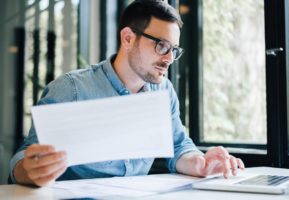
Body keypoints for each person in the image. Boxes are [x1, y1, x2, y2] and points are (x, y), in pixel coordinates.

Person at [9, 0, 244, 187]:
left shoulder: (164, 91)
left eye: (174, 49)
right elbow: (23, 159)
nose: (169, 58)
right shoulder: (71, 89)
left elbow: (178, 146)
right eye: (161, 45)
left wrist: (201, 164)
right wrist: (28, 171)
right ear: (128, 38)